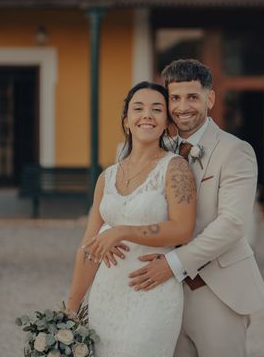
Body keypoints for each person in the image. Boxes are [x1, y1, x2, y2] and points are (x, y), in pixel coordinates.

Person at [127, 59, 264, 357]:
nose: (182, 107)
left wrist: (173, 263)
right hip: (164, 294)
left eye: (192, 97)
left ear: (210, 98)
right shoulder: (158, 149)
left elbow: (231, 224)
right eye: (175, 98)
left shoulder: (236, 151)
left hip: (217, 289)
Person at [64, 81, 197, 357]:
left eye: (156, 109)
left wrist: (121, 231)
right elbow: (88, 249)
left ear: (167, 124)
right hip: (106, 295)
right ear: (126, 122)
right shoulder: (106, 177)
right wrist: (71, 308)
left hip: (152, 291)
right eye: (138, 108)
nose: (147, 114)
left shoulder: (176, 168)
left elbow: (183, 229)